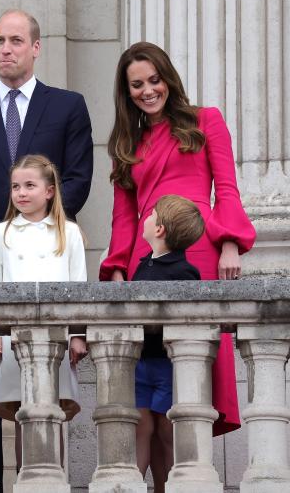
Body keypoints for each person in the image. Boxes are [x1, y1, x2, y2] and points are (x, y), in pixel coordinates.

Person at [0, 8, 93, 489]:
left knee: (50, 404)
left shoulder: (67, 105)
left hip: (51, 257)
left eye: (14, 40)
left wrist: (36, 222)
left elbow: (78, 178)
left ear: (35, 47)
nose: (4, 49)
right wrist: (5, 228)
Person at [99, 42, 255, 441]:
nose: (148, 90)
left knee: (193, 373)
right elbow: (122, 216)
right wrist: (117, 267)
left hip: (200, 249)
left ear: (168, 78)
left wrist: (230, 244)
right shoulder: (124, 145)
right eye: (137, 84)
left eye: (154, 80)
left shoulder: (206, 120)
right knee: (148, 383)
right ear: (126, 90)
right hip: (145, 258)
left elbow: (228, 189)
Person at [0, 154, 88, 470]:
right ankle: (26, 481)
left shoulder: (69, 233)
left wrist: (78, 334)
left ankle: (53, 480)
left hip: (56, 337)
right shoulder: (0, 233)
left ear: (50, 191)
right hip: (15, 337)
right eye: (16, 186)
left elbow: (79, 287)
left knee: (52, 413)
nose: (22, 193)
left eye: (30, 185)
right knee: (21, 414)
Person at [132, 194, 205, 491]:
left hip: (166, 365)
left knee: (166, 430)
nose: (146, 219)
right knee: (141, 427)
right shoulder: (142, 265)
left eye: (151, 214)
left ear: (159, 229)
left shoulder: (185, 273)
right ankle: (132, 483)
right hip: (139, 363)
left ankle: (169, 487)